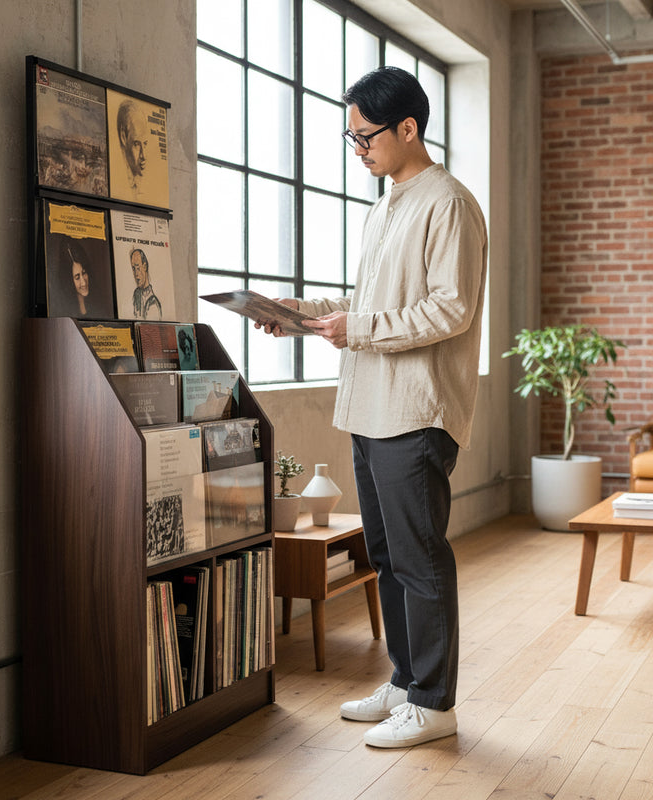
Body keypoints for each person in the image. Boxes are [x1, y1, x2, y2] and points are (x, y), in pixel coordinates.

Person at [259, 67, 488, 748]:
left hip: (415, 413)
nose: (357, 150)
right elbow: (370, 302)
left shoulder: (448, 204)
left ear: (408, 128)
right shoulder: (385, 205)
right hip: (368, 409)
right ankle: (406, 680)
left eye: (365, 137)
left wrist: (355, 328)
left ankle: (435, 702)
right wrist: (300, 314)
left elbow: (450, 308)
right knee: (386, 556)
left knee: (420, 559)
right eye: (350, 138)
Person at [116, 99, 148, 201]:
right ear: (123, 137)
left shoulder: (140, 185)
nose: (144, 156)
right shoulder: (119, 183)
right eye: (137, 144)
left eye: (145, 144)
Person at [130, 247, 162, 320]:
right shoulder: (136, 293)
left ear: (144, 267)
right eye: (133, 269)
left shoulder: (153, 302)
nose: (136, 274)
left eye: (138, 268)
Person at [62, 240, 91, 318]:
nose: (84, 283)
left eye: (84, 273)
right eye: (77, 277)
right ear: (70, 280)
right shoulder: (64, 310)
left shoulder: (98, 301)